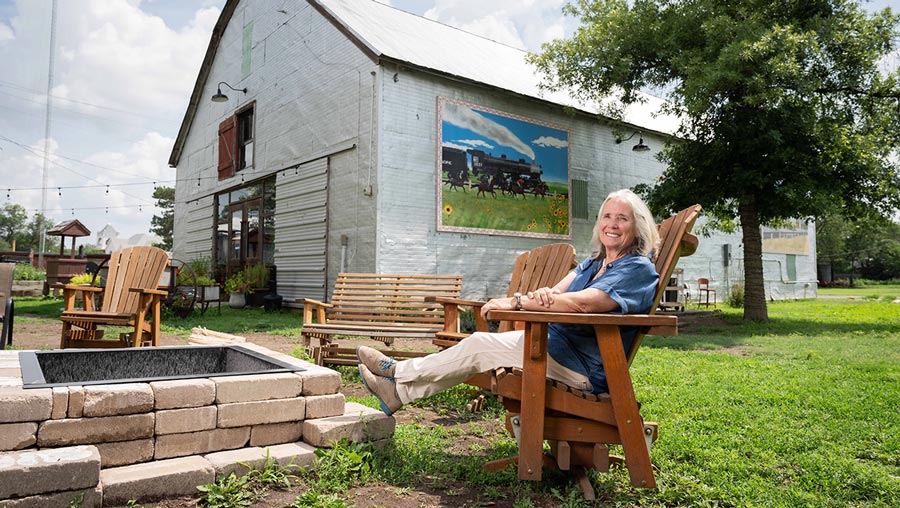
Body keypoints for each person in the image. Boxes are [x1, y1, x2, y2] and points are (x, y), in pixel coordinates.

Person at [357, 189, 661, 415]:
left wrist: (518, 303)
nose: (612, 224)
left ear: (638, 227)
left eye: (622, 218)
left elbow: (583, 304)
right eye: (607, 216)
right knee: (478, 348)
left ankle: (398, 373)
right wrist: (534, 297)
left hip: (580, 367)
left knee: (478, 345)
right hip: (555, 347)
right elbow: (555, 294)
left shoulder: (636, 269)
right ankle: (398, 392)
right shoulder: (594, 263)